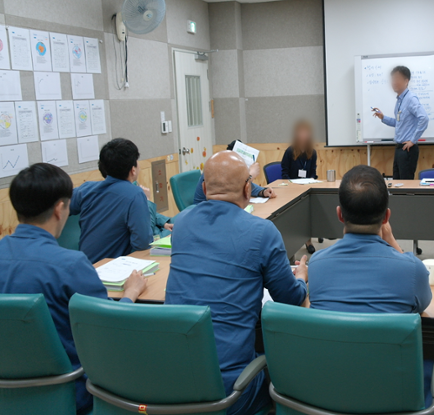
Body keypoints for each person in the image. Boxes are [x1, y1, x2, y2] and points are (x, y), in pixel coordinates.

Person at [165, 151, 309, 415]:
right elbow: (290, 299)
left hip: (172, 383)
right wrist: (300, 279)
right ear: (247, 189)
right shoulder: (262, 231)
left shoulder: (182, 222)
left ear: (205, 188)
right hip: (229, 393)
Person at [0, 163, 147, 415]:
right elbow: (107, 332)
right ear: (60, 208)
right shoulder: (70, 265)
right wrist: (130, 295)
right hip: (70, 393)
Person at [308, 165, 434, 407]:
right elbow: (423, 302)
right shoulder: (411, 270)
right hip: (394, 398)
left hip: (333, 392)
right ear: (386, 217)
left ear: (340, 214)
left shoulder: (317, 265)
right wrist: (392, 240)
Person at [70, 138, 152, 263]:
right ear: (133, 169)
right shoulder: (135, 194)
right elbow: (142, 243)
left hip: (84, 265)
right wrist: (147, 201)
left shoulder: (86, 189)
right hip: (111, 269)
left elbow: (59, 206)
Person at [373, 66, 428, 179]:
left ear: (406, 81)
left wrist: (413, 141)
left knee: (405, 186)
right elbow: (399, 123)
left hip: (407, 149)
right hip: (399, 149)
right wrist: (383, 117)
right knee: (397, 184)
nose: (394, 82)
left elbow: (424, 118)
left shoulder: (410, 98)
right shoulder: (400, 100)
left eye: (397, 79)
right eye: (393, 79)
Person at [193, 140, 276, 205]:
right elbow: (231, 189)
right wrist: (250, 176)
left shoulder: (230, 171)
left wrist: (263, 191)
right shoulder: (216, 170)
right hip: (205, 211)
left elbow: (248, 186)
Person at [281, 120, 319, 253]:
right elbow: (284, 172)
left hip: (307, 188)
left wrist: (312, 180)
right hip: (292, 189)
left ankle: (308, 241)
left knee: (309, 211)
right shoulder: (290, 151)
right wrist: (290, 185)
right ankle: (294, 242)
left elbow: (313, 172)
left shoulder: (312, 152)